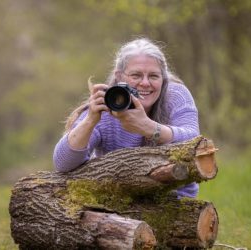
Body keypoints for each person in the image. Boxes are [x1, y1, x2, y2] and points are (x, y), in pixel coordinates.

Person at [53, 38, 200, 198]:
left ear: (163, 78)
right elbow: (63, 163)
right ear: (119, 76)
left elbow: (197, 144)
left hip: (175, 201)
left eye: (153, 76)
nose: (145, 83)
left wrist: (150, 128)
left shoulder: (175, 96)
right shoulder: (106, 105)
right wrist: (90, 121)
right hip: (119, 202)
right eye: (136, 75)